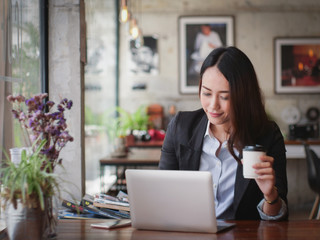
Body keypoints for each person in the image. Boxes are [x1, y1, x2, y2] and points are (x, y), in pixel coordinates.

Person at [159, 46, 288, 220]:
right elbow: (161, 192)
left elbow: (279, 219)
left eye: (224, 96)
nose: (213, 105)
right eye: (206, 93)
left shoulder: (267, 135)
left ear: (244, 95)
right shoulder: (181, 128)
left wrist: (270, 196)